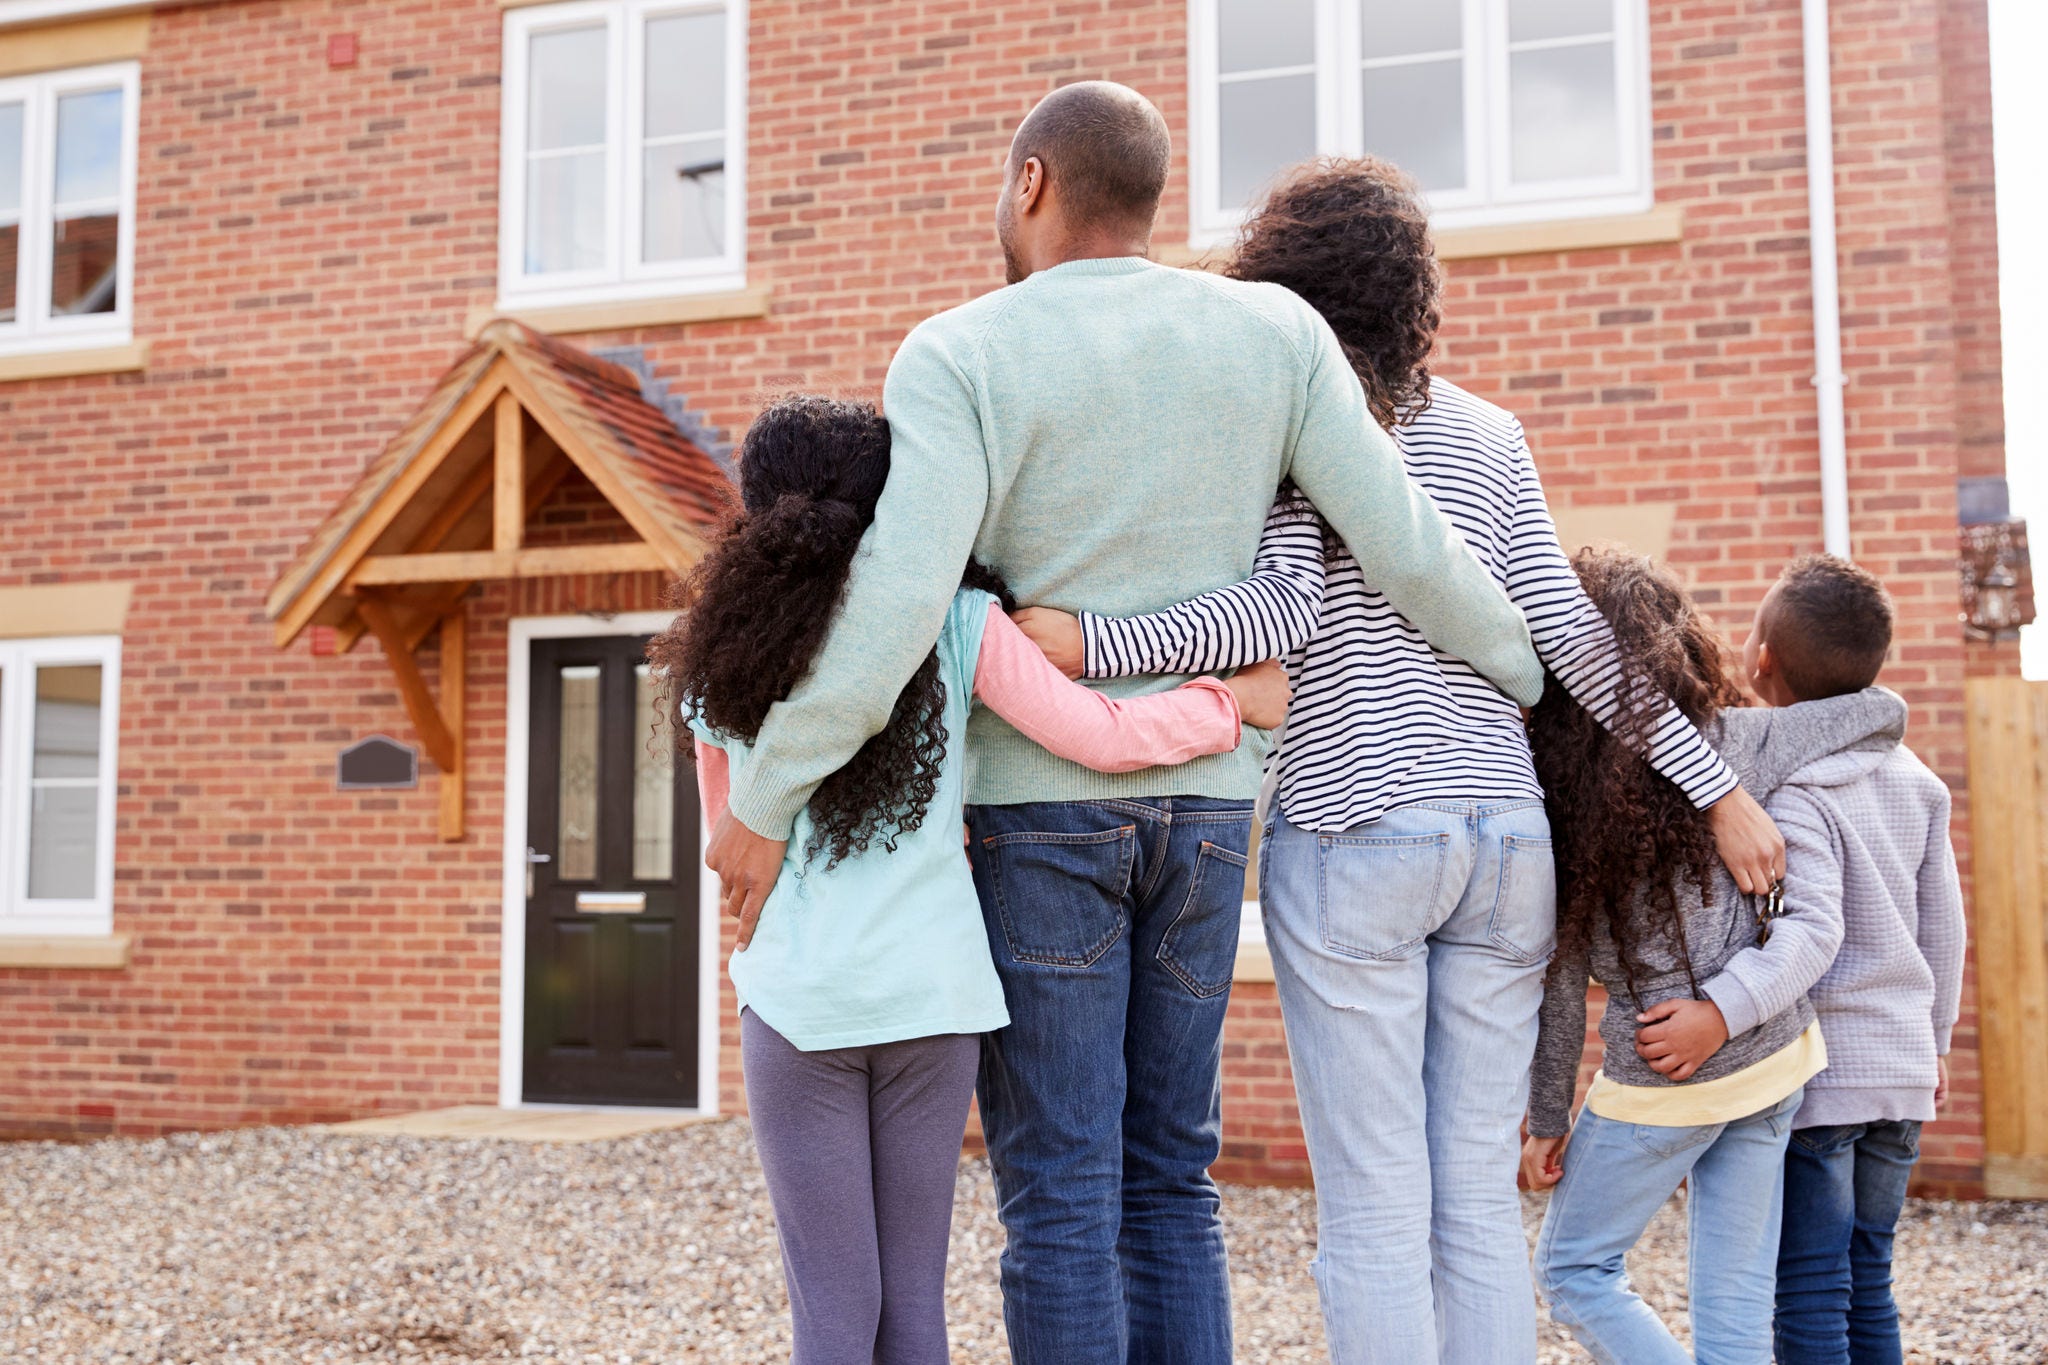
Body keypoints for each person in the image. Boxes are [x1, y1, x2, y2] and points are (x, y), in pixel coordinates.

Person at [699, 84, 1545, 1364]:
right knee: (1169, 1176)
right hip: (1207, 809)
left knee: (1061, 1189)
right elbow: (1410, 549)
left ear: (1031, 182)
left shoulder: (960, 351)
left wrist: (763, 807)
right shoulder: (1276, 334)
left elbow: (895, 611)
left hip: (1034, 821)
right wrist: (1528, 679)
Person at [1015, 157, 1787, 1364]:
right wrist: (1720, 788)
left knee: (1376, 1213)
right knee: (1473, 1208)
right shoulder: (1489, 434)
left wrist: (1092, 641)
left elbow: (1275, 613)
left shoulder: (1296, 423)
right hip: (1501, 843)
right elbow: (1570, 634)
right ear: (1409, 293)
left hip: (1356, 830)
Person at [654, 395, 1291, 1365]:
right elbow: (1102, 738)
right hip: (934, 1002)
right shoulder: (958, 624)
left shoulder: (719, 658)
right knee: (913, 1308)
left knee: (832, 1314)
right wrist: (1231, 702)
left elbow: (732, 855)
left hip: (797, 1005)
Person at [1520, 548, 1908, 1365]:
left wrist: (1548, 1115)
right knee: (1734, 1304)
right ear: (1686, 649)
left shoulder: (1557, 797)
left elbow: (1559, 981)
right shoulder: (1742, 743)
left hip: (1669, 1072)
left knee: (1572, 1270)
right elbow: (1880, 710)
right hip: (1776, 1060)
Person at [1752, 557, 1965, 1365]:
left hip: (1825, 1080)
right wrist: (1935, 1040)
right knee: (1868, 1273)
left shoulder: (1798, 787)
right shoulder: (1919, 782)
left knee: (1808, 1282)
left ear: (1762, 657)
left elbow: (1815, 933)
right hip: (1905, 1070)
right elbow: (1944, 928)